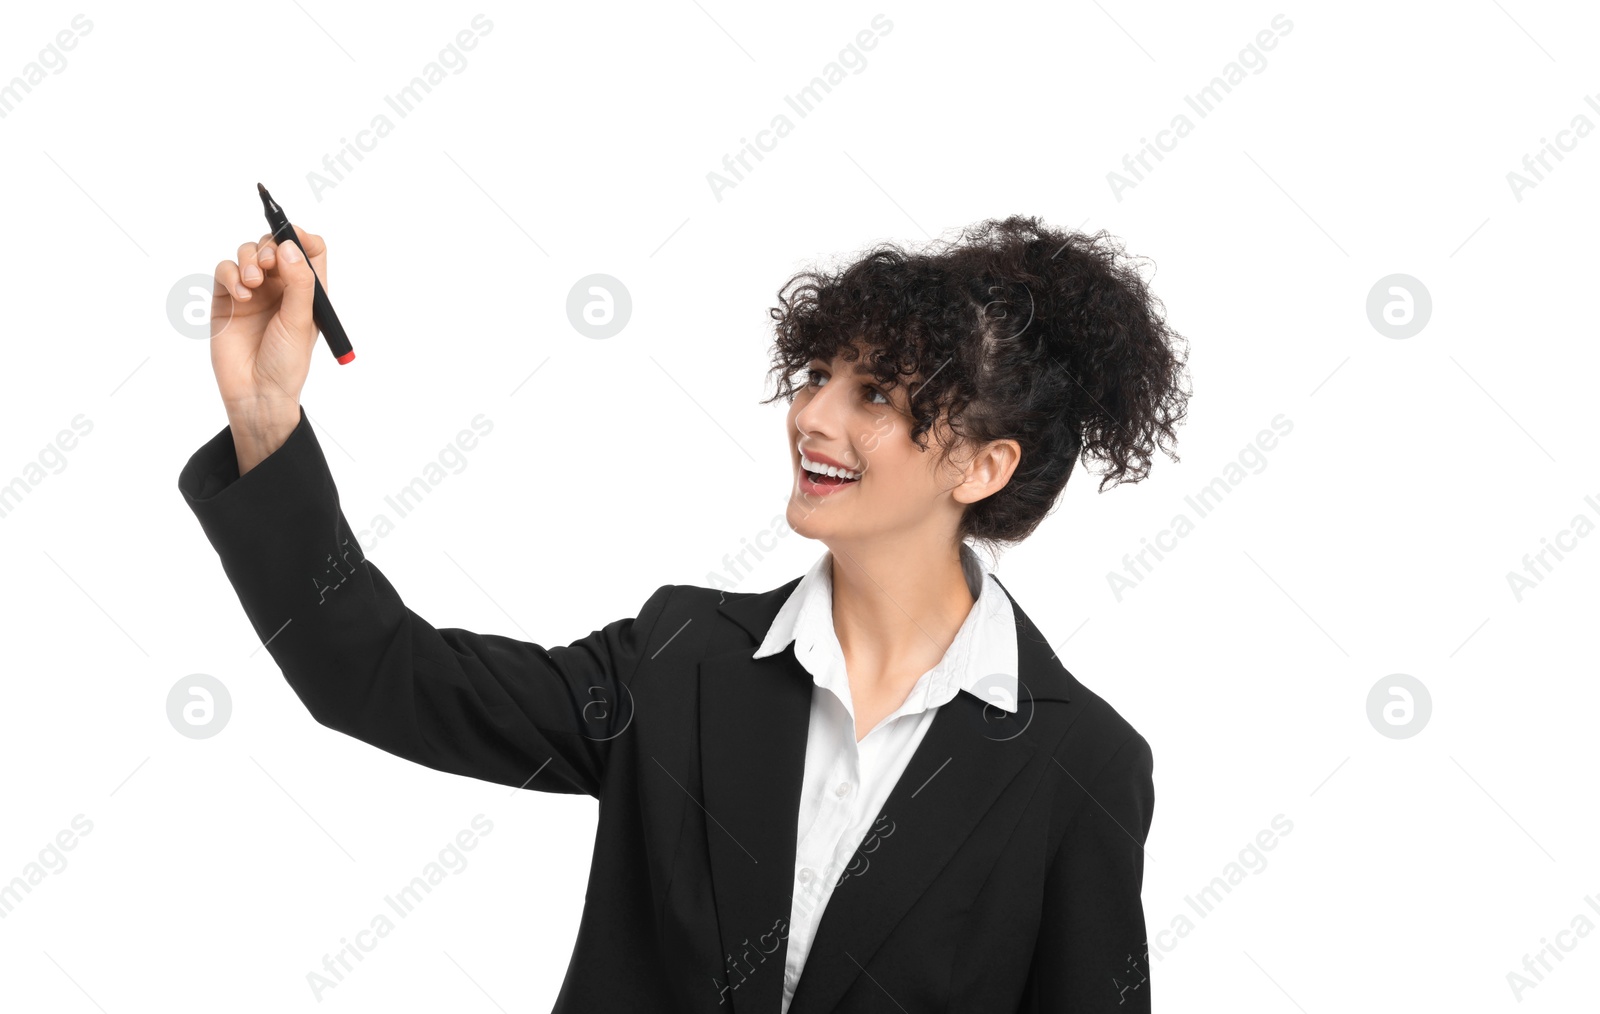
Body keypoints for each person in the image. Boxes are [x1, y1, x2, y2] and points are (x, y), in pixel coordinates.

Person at [179, 214, 1190, 1012]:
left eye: (874, 394)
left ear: (981, 464)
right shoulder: (682, 660)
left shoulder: (1080, 769)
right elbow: (379, 678)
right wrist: (265, 417)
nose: (813, 416)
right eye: (815, 374)